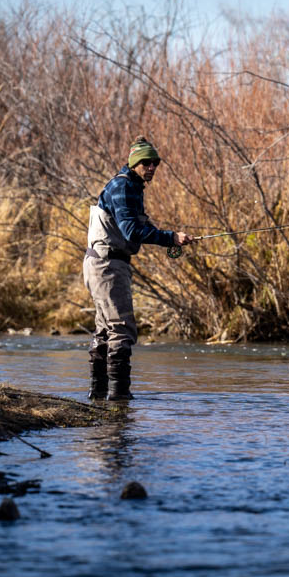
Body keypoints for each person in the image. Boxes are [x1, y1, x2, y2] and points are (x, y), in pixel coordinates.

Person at [83, 136, 194, 401]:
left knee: (105, 329)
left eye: (155, 163)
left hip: (103, 263)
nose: (152, 167)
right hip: (108, 264)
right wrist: (170, 238)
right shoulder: (122, 187)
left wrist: (172, 237)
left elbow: (135, 228)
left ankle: (98, 395)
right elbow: (131, 231)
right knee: (121, 329)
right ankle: (119, 398)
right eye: (146, 163)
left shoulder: (131, 186)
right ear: (134, 163)